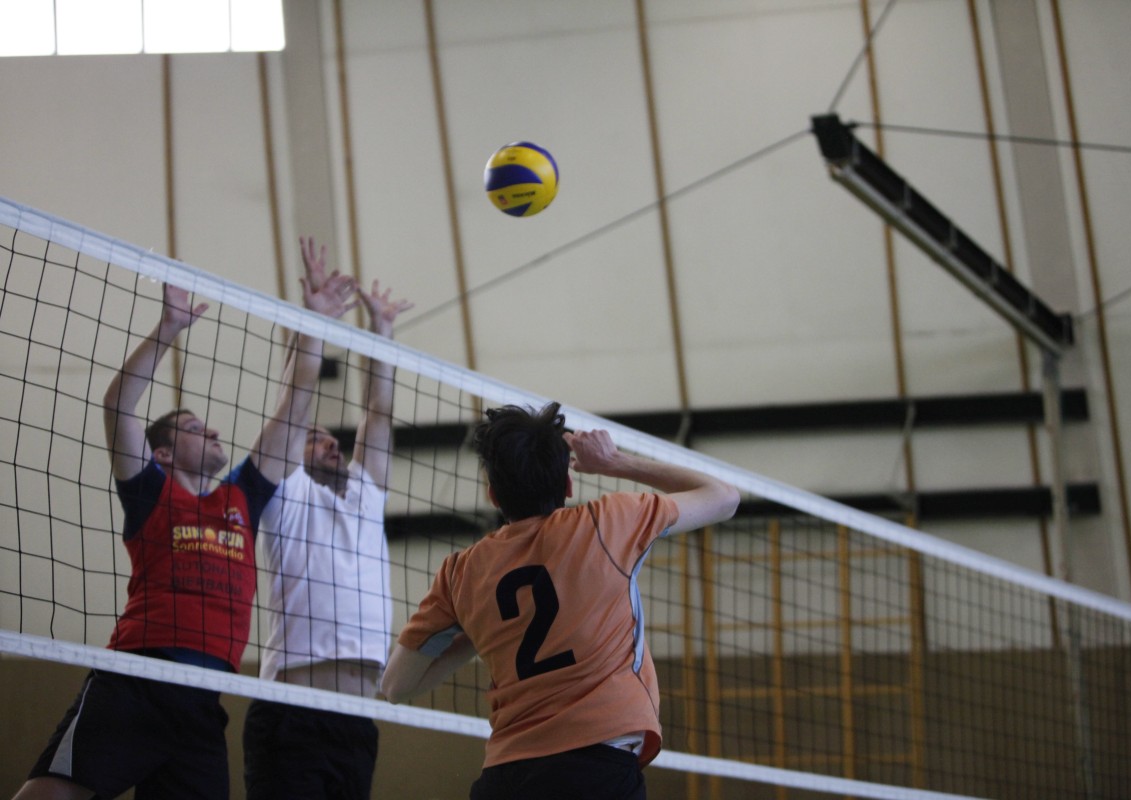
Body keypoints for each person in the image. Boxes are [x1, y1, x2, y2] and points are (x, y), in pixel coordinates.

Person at [13, 274, 357, 800]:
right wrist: (169, 327)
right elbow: (117, 406)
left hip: (205, 701)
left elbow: (294, 408)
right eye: (195, 429)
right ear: (163, 454)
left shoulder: (241, 496)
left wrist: (313, 326)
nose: (213, 431)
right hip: (138, 681)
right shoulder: (149, 491)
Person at [381, 402, 741, 800]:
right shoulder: (608, 522)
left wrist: (476, 631)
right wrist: (614, 461)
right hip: (597, 771)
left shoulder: (459, 573)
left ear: (493, 495)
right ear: (568, 485)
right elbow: (724, 497)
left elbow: (396, 686)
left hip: (506, 778)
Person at [242, 237, 413, 800]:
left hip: (357, 724)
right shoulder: (286, 493)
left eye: (331, 439)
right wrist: (313, 322)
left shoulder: (365, 496)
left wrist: (381, 331)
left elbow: (379, 412)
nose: (331, 443)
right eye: (315, 439)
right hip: (293, 714)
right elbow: (294, 400)